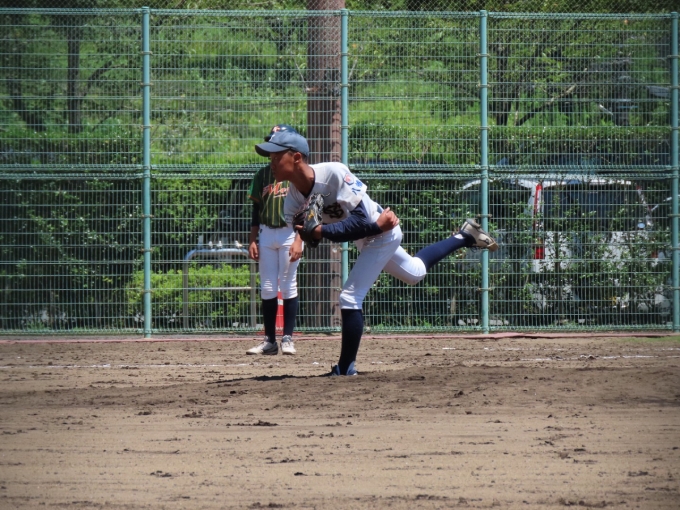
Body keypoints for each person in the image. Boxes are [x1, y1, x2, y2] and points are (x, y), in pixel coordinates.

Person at [255, 130, 498, 375]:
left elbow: (360, 221)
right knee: (415, 272)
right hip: (370, 233)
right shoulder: (291, 201)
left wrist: (361, 228)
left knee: (350, 297)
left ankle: (345, 367)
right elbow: (313, 238)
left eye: (276, 157)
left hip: (384, 231)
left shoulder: (333, 173)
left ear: (296, 157)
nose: (271, 163)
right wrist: (314, 232)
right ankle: (464, 236)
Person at [245, 124, 304, 356]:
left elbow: (306, 211)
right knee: (268, 287)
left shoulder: (296, 176)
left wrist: (299, 239)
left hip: (290, 232)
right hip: (267, 232)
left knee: (288, 284)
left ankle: (287, 338)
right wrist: (253, 239)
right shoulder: (262, 174)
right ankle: (269, 340)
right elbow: (255, 210)